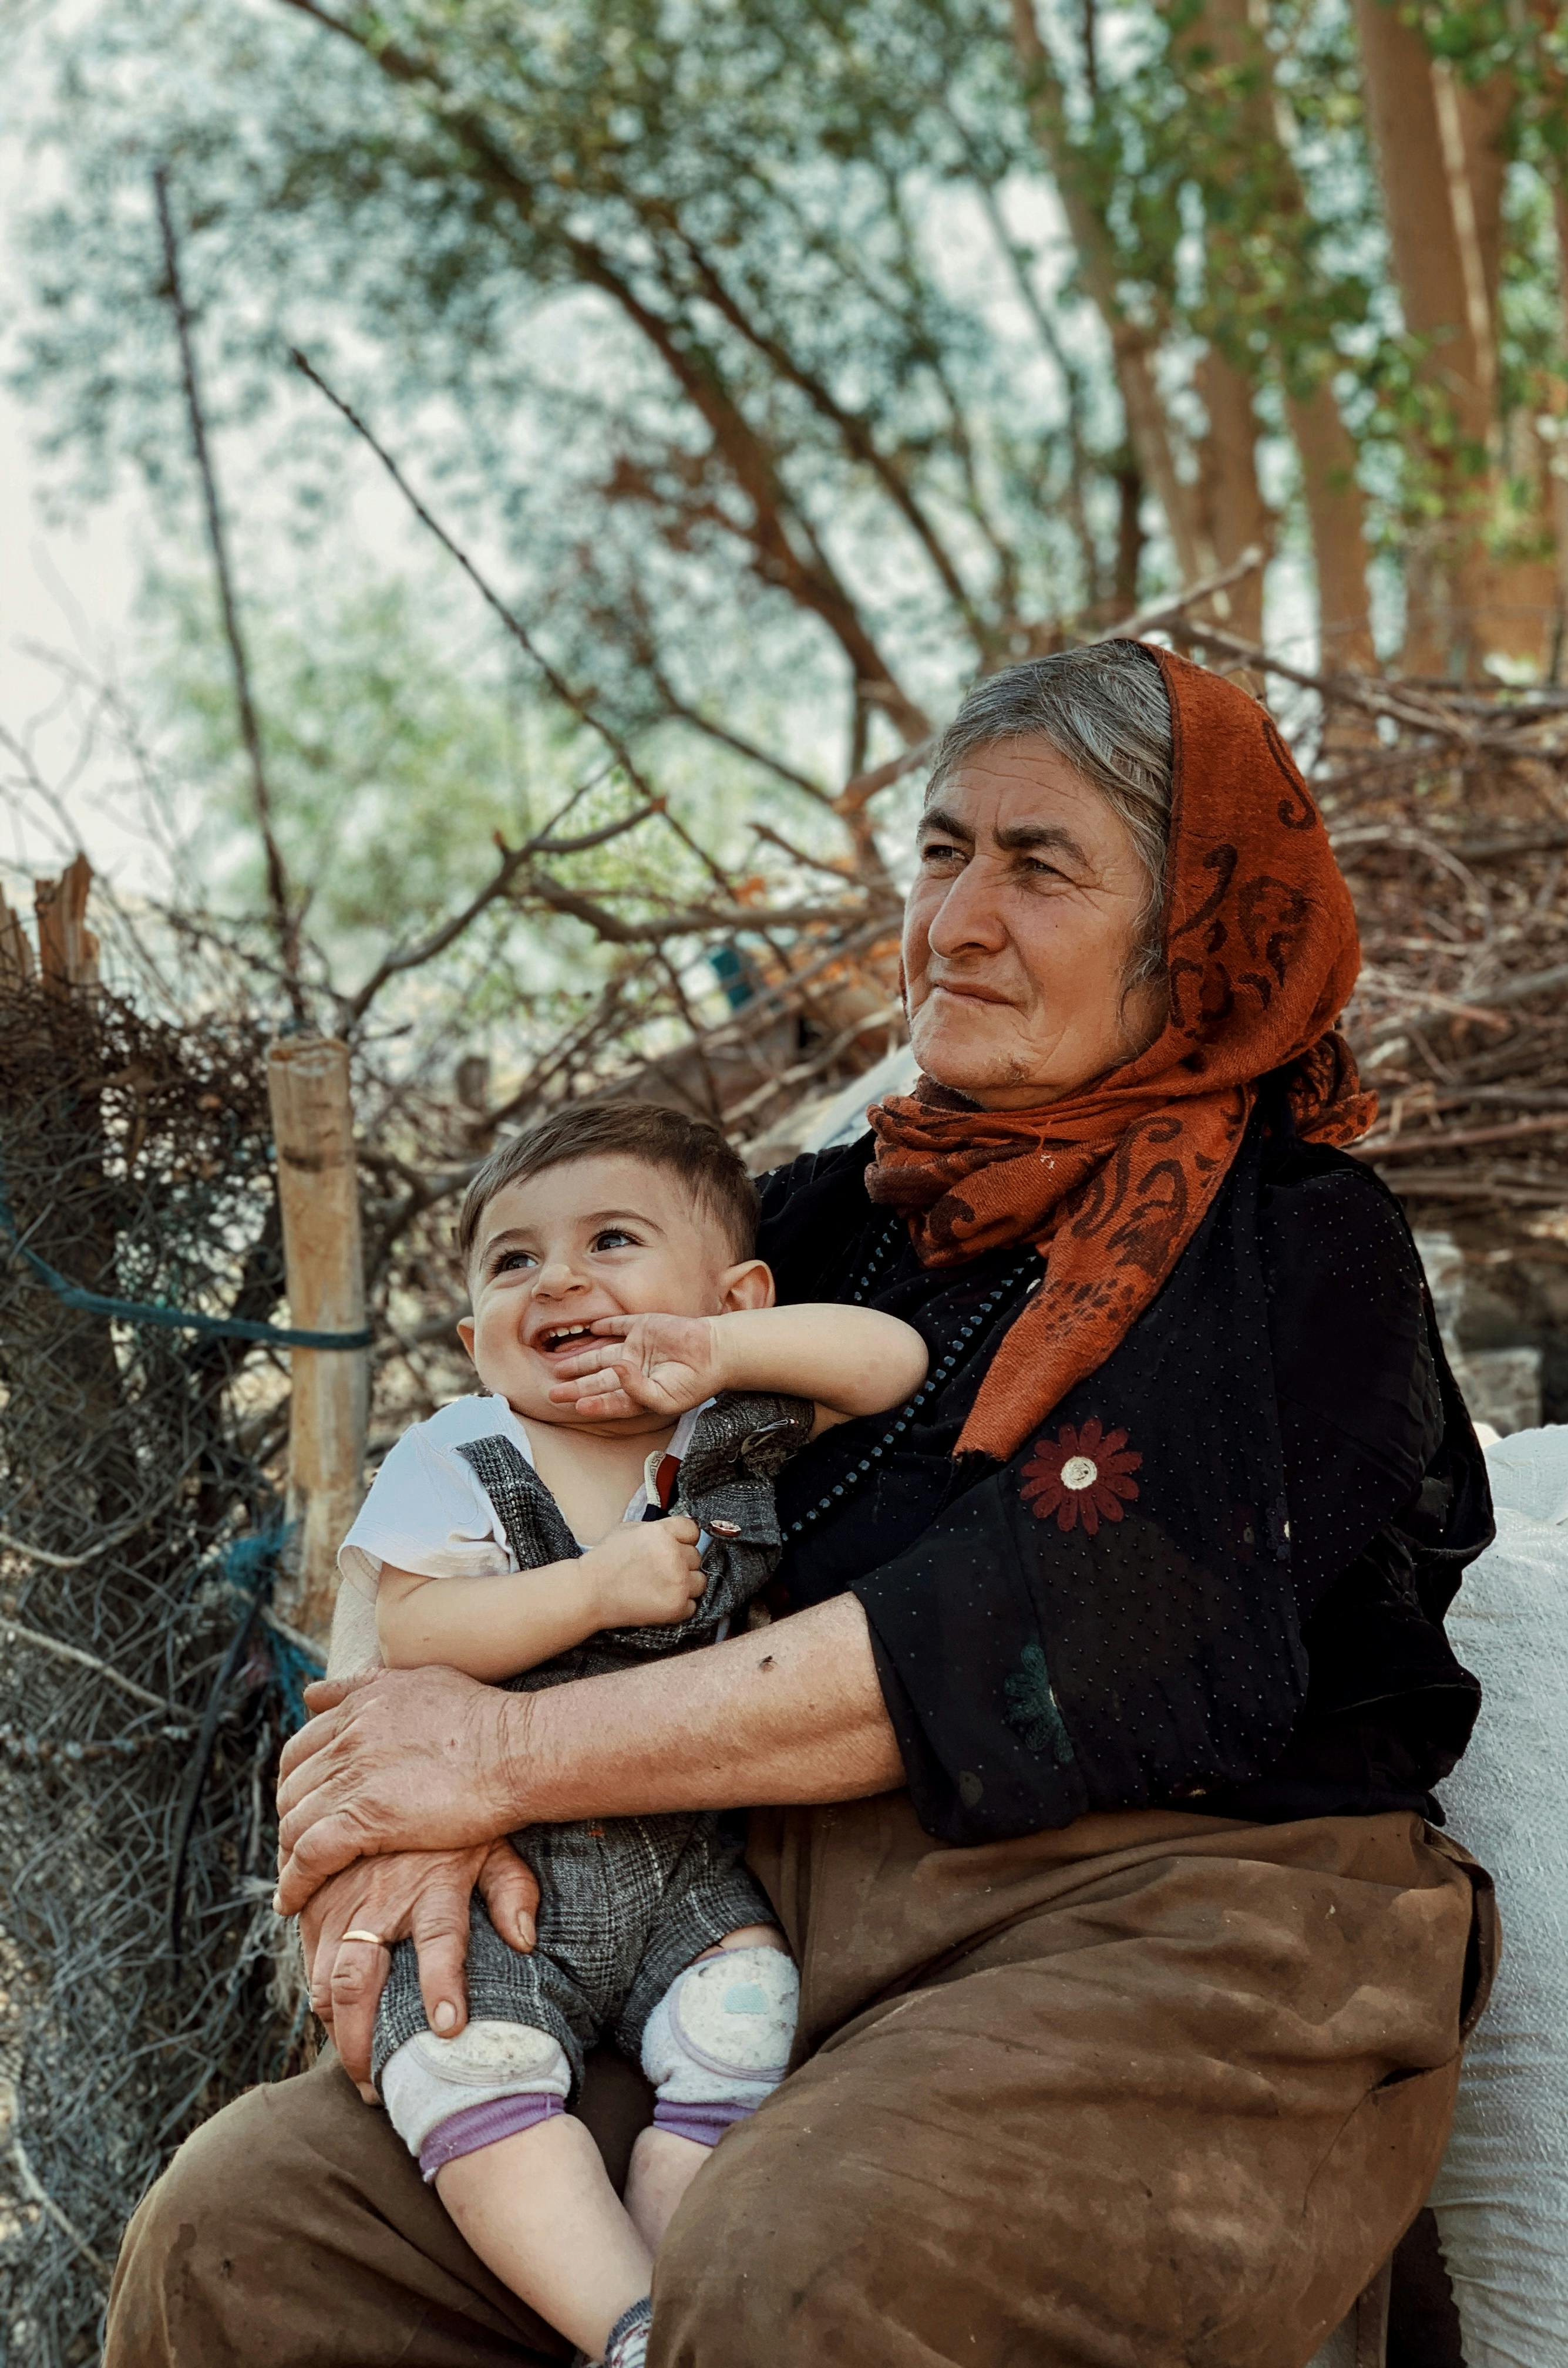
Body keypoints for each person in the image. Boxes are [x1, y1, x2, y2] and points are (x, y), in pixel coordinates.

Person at [106, 639, 1498, 2368]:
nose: (959, 919)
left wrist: (510, 1759)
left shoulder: (1302, 1247)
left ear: (1195, 925)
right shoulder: (825, 1224)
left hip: (1180, 1942)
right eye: (940, 852)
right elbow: (518, 1494)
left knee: (801, 2264)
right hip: (745, 1936)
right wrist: (416, 1784)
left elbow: (1050, 1620)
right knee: (252, 2228)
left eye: (1040, 864)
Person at [329, 1100, 928, 2365]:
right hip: (511, 1885)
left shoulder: (729, 1422)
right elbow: (421, 1634)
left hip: (685, 1878)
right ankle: (624, 2323)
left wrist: (721, 1353)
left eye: (611, 1241)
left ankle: (675, 2276)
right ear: (472, 1336)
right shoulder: (461, 1450)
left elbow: (893, 1364)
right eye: (513, 1262)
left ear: (736, 1295)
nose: (560, 1280)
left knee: (751, 2020)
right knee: (464, 2065)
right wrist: (594, 1590)